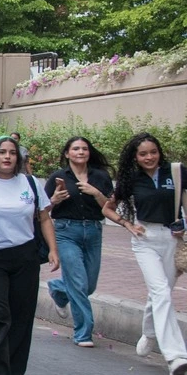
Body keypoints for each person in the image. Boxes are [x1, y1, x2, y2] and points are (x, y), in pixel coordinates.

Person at [105, 133, 187, 375]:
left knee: (161, 292)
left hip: (173, 238)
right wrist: (128, 225)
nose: (149, 157)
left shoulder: (176, 171)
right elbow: (107, 208)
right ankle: (176, 356)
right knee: (161, 292)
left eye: (153, 152)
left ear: (159, 152)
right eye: (143, 154)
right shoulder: (131, 180)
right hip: (145, 240)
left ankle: (150, 333)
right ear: (135, 157)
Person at [0, 136, 58, 375]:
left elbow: (45, 218)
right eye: (2, 152)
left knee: (22, 316)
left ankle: (13, 370)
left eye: (12, 153)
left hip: (25, 257)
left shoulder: (31, 183)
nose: (7, 157)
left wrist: (54, 251)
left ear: (18, 157)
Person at [44, 137, 113, 348]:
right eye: (75, 149)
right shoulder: (58, 177)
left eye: (84, 149)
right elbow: (43, 210)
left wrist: (97, 193)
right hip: (66, 232)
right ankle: (83, 332)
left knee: (88, 285)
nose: (80, 152)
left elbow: (110, 209)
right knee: (79, 283)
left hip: (93, 231)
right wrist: (54, 200)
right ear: (67, 153)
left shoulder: (100, 177)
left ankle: (58, 288)